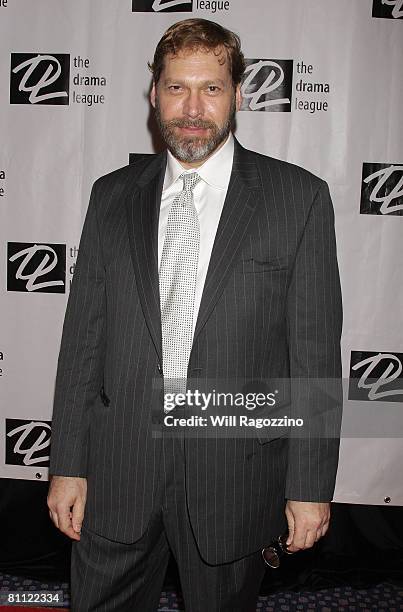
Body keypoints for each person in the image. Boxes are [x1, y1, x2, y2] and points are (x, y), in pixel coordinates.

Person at [47, 17, 343, 612]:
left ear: (237, 93)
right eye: (177, 87)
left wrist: (310, 487)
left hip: (235, 474)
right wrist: (68, 464)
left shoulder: (297, 198)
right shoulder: (112, 195)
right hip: (118, 468)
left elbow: (314, 351)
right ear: (153, 93)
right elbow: (83, 341)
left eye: (210, 88)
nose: (192, 108)